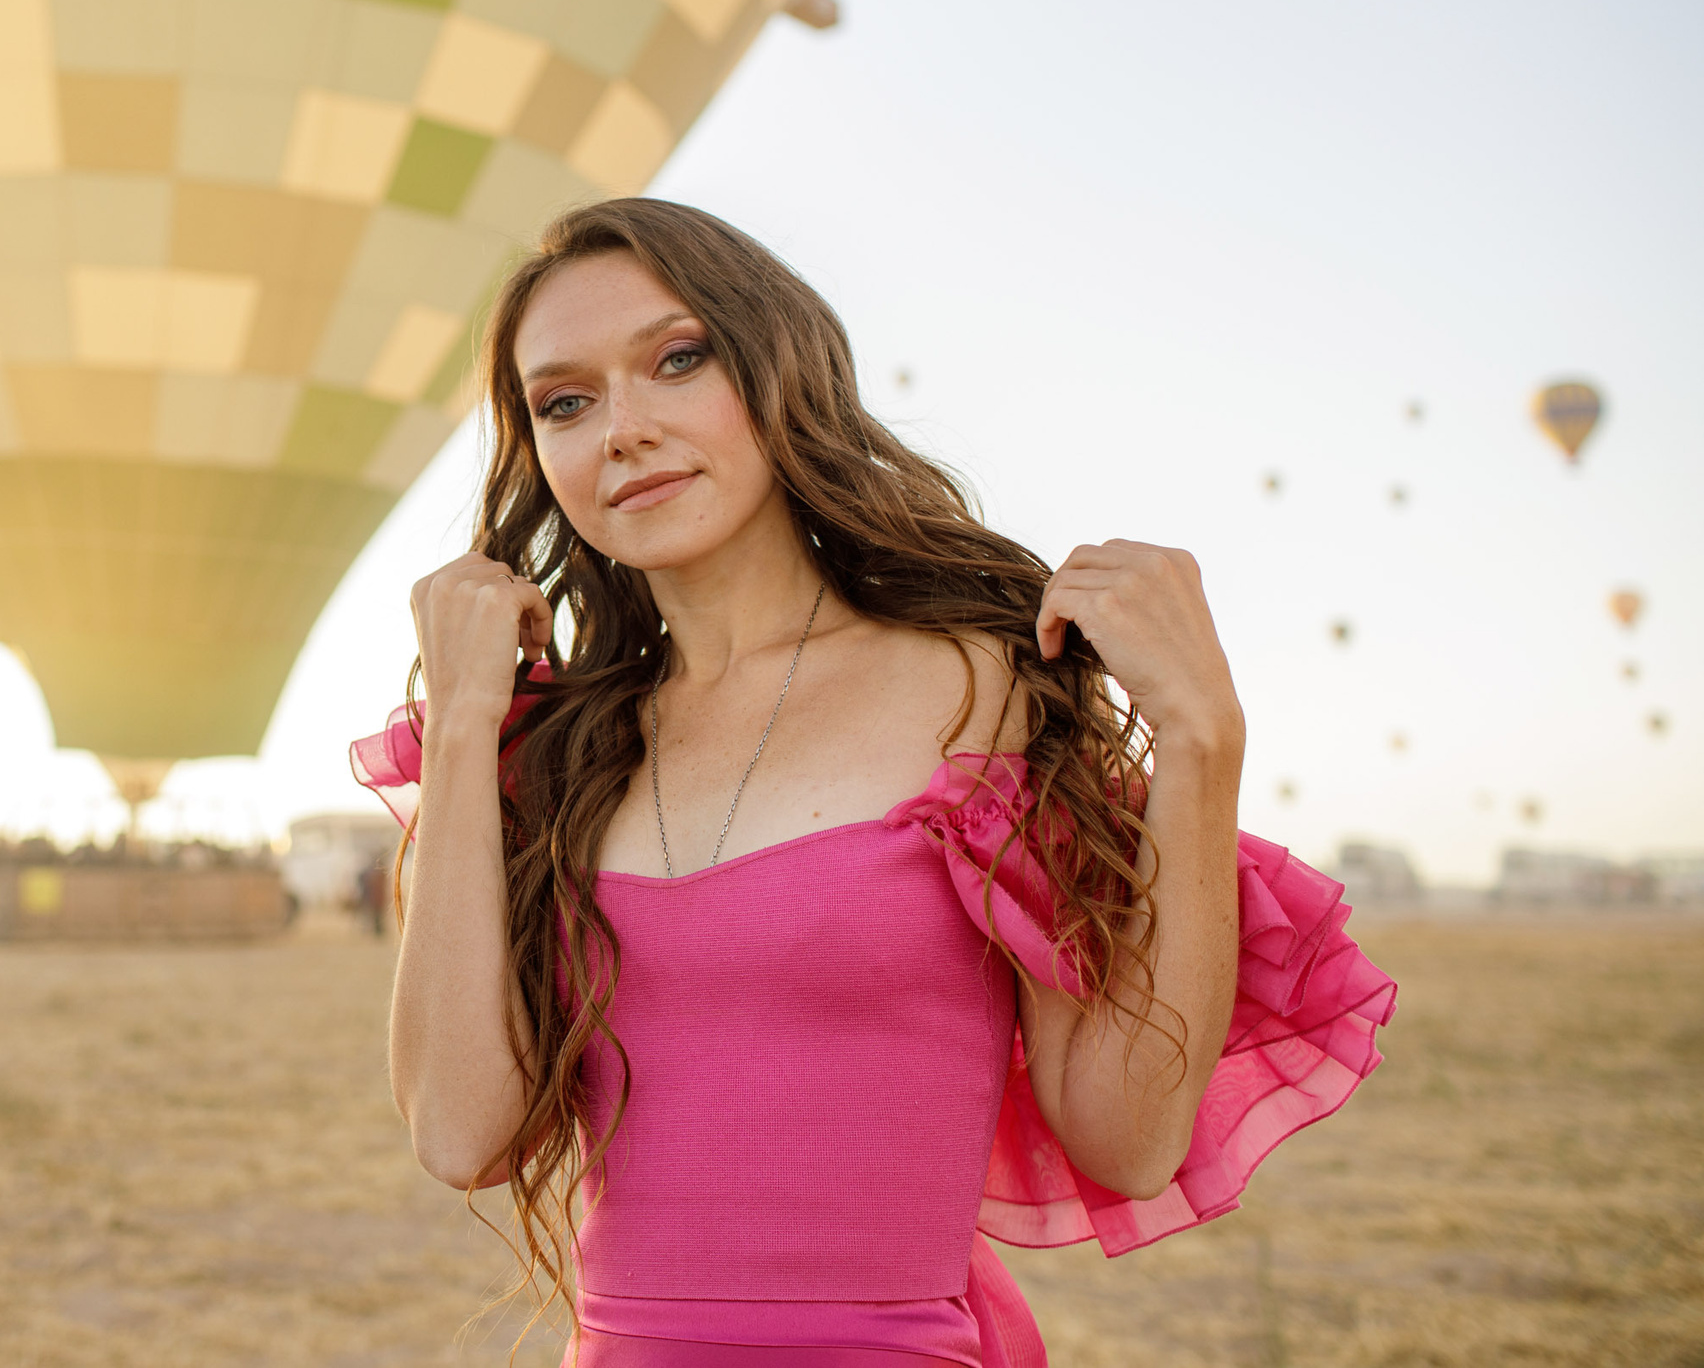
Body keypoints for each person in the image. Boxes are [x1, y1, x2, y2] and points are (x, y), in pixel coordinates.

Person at [350, 200, 1395, 1366]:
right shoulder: (560, 754)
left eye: (677, 360)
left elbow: (1129, 1139)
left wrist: (1200, 744)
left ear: (778, 368)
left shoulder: (977, 686)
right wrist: (461, 732)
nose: (622, 431)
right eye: (566, 402)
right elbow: (457, 1133)